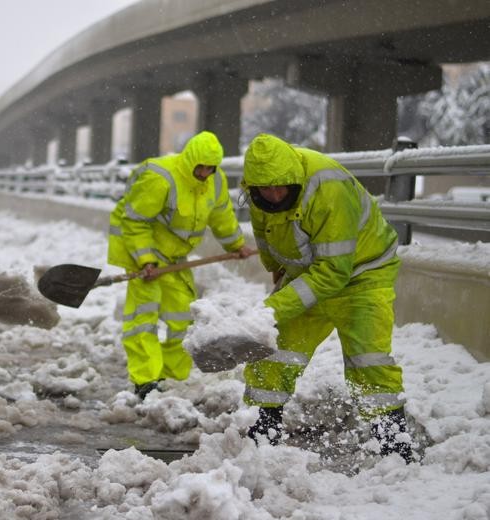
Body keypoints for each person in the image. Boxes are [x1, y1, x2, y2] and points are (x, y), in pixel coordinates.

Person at [240, 133, 413, 462]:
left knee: (369, 359)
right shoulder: (258, 192)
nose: (274, 196)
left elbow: (335, 271)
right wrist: (276, 268)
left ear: (295, 178)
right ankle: (263, 434)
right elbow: (266, 234)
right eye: (265, 190)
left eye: (281, 188)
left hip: (362, 273)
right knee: (274, 351)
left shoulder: (328, 188)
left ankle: (394, 448)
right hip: (309, 273)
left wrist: (272, 308)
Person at [107, 131, 255, 399]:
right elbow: (134, 221)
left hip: (174, 256)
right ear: (189, 160)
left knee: (181, 315)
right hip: (141, 249)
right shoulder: (160, 178)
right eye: (201, 167)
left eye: (211, 168)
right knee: (144, 317)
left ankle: (173, 377)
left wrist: (236, 244)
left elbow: (222, 216)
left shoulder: (215, 182)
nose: (205, 172)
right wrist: (146, 260)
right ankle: (146, 380)